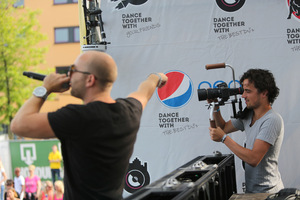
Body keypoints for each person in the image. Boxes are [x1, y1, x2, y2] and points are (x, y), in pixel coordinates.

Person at [10, 51, 168, 200]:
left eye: (73, 70)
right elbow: (145, 91)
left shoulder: (77, 117)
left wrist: (46, 88)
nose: (68, 74)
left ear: (90, 79)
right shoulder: (129, 111)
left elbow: (18, 125)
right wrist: (156, 78)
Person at [208, 68, 284, 193]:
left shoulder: (272, 120)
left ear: (264, 93)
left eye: (248, 91)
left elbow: (254, 159)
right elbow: (223, 128)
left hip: (268, 193)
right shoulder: (249, 115)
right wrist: (216, 106)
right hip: (253, 191)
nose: (243, 96)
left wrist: (224, 138)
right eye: (243, 91)